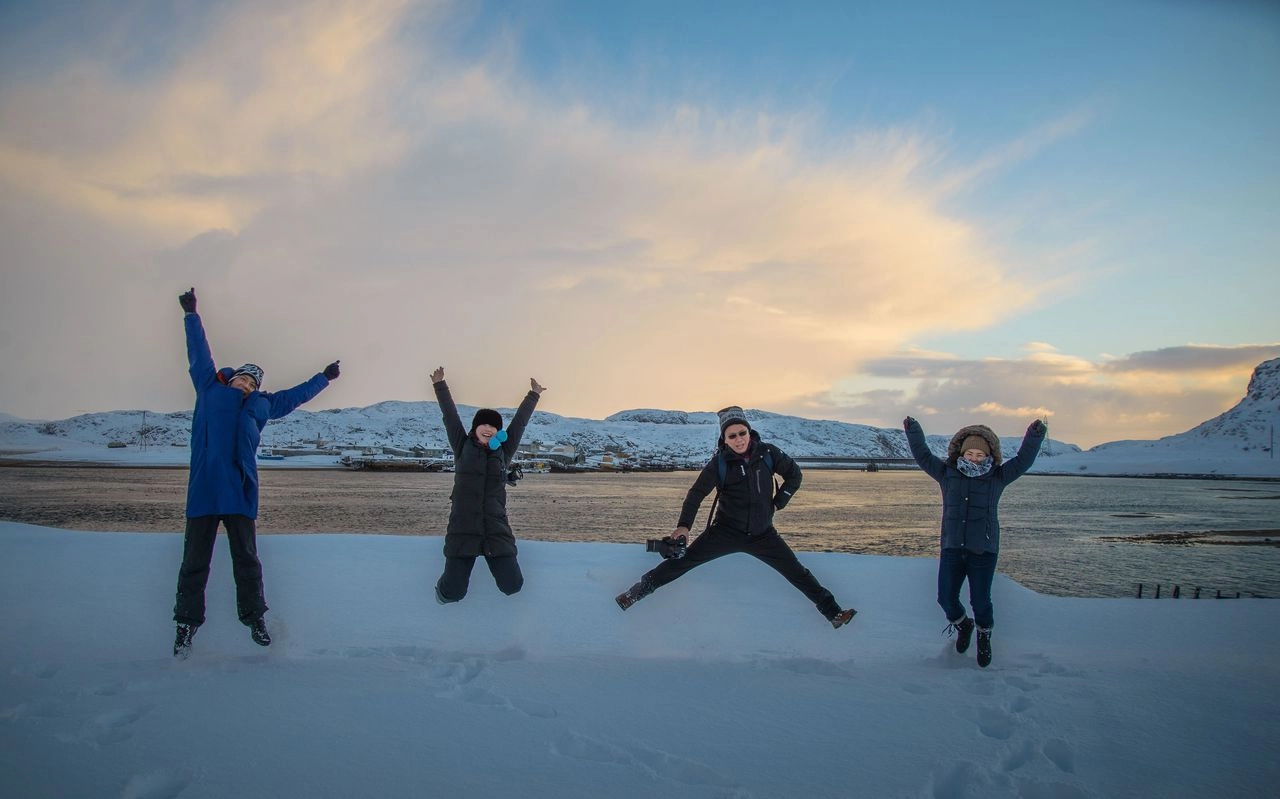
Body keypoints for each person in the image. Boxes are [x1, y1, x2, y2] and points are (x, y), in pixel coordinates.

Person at [172, 288, 340, 657]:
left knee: (247, 559)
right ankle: (185, 627)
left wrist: (324, 378)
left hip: (240, 491)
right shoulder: (208, 388)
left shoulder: (263, 405)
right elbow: (199, 353)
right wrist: (191, 314)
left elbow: (296, 395)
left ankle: (255, 620)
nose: (247, 384)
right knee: (195, 563)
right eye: (244, 379)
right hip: (204, 489)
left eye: (253, 382)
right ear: (233, 378)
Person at [615, 406, 857, 629]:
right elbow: (696, 494)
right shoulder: (719, 463)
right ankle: (636, 592)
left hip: (763, 534)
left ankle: (834, 613)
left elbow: (795, 475)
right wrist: (684, 526)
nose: (739, 439)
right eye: (732, 436)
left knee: (798, 573)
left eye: (742, 433)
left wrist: (778, 502)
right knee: (682, 562)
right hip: (725, 532)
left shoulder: (768, 454)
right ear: (725, 439)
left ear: (749, 432)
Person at [903, 416, 1048, 668]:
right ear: (961, 452)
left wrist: (1034, 435)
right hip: (952, 547)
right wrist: (913, 431)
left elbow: (1023, 461)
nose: (974, 458)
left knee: (980, 600)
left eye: (980, 455)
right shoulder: (947, 474)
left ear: (989, 455)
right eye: (970, 453)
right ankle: (964, 625)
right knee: (945, 598)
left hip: (984, 549)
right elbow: (923, 456)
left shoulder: (997, 477)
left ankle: (984, 635)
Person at [430, 366, 545, 603]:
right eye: (485, 425)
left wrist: (533, 395)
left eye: (494, 427)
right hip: (464, 526)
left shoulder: (503, 452)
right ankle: (441, 592)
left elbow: (519, 424)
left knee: (513, 585)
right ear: (476, 427)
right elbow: (450, 416)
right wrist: (440, 385)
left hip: (495, 527)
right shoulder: (463, 446)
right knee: (453, 593)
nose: (489, 429)